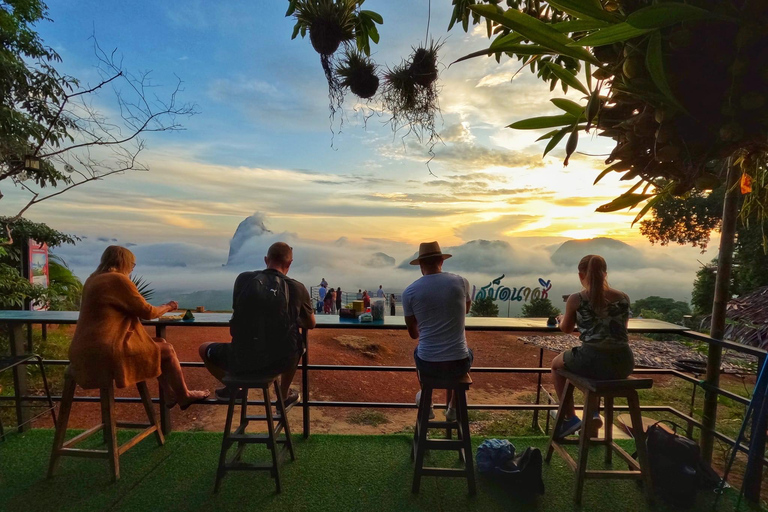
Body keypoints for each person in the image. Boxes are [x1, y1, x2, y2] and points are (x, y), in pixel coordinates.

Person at [69, 246, 209, 409]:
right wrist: (168, 306)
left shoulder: (93, 278)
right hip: (105, 350)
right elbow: (147, 312)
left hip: (83, 349)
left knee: (159, 342)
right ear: (124, 262)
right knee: (167, 350)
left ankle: (170, 394)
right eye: (132, 264)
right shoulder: (117, 279)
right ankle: (184, 395)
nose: (132, 268)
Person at [199, 242, 316, 405]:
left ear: (266, 259)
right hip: (280, 362)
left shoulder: (243, 280)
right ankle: (283, 395)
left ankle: (233, 390)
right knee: (296, 341)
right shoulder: (297, 288)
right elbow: (310, 324)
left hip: (241, 358)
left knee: (204, 348)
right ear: (289, 263)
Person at [550, 254, 633, 438]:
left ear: (581, 275)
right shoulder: (624, 298)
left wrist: (561, 318)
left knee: (556, 365)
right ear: (605, 274)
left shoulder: (577, 298)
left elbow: (566, 329)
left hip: (592, 359)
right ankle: (593, 413)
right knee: (596, 376)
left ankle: (570, 417)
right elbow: (620, 331)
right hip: (624, 362)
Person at [403, 241, 472, 421]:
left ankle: (428, 404)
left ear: (421, 265)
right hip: (459, 364)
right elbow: (465, 310)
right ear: (441, 261)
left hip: (429, 365)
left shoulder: (409, 292)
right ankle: (455, 408)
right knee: (467, 352)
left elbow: (414, 334)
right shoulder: (462, 282)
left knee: (418, 351)